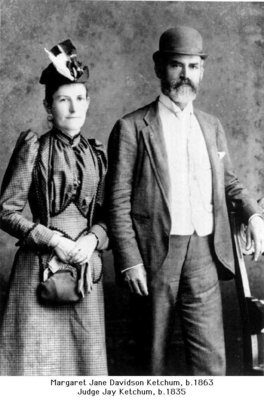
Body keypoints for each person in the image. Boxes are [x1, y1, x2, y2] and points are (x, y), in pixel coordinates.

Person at [106, 26, 264, 375]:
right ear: (159, 67)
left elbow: (230, 183)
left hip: (205, 253)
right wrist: (130, 261)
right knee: (152, 359)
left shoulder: (211, 126)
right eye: (177, 66)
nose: (185, 75)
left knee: (211, 361)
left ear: (202, 71)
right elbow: (116, 202)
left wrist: (253, 215)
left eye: (193, 67)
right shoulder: (132, 127)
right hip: (153, 256)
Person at [0, 39, 108, 375]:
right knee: (35, 363)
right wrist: (55, 241)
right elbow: (5, 210)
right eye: (64, 100)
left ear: (88, 103)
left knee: (82, 366)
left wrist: (91, 241)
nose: (73, 108)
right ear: (49, 107)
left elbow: (110, 217)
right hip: (39, 267)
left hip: (85, 271)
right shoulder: (34, 148)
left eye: (79, 99)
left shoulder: (97, 154)